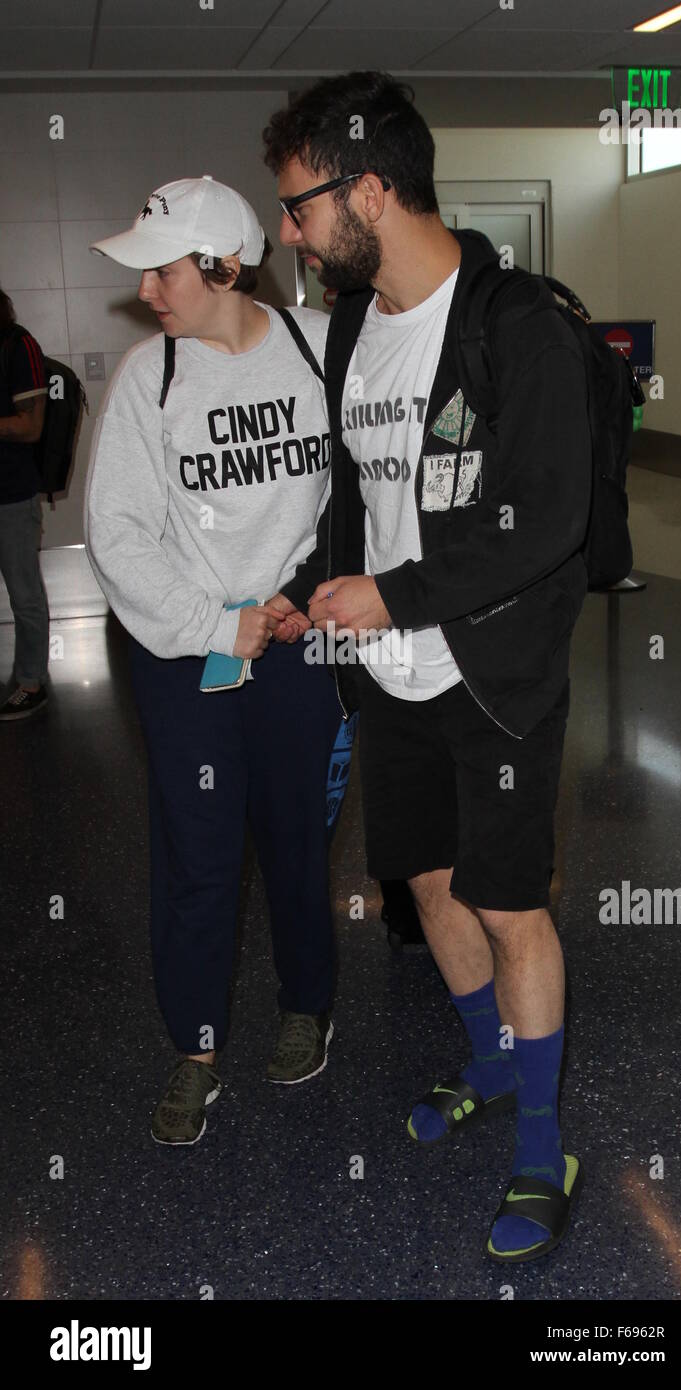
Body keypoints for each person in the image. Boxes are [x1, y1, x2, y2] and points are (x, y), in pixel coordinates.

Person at [263, 72, 592, 1261]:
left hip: (491, 673)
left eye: (299, 206)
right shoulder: (352, 326)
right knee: (427, 883)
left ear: (369, 187)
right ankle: (495, 1067)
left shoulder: (521, 326)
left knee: (509, 903)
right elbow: (362, 495)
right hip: (384, 670)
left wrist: (393, 595)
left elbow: (544, 515)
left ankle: (544, 1137)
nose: (287, 232)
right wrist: (320, 591)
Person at [84, 175, 344, 1146]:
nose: (148, 291)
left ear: (224, 266)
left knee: (293, 839)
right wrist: (213, 621)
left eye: (162, 270)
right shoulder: (149, 376)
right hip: (187, 651)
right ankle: (196, 1049)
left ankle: (305, 1004)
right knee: (198, 856)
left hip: (296, 643)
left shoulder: (318, 350)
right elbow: (116, 533)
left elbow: (354, 497)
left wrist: (297, 596)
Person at [0, 289, 49, 721]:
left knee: (24, 595)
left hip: (11, 495)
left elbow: (32, 426)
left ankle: (31, 682)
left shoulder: (17, 345)